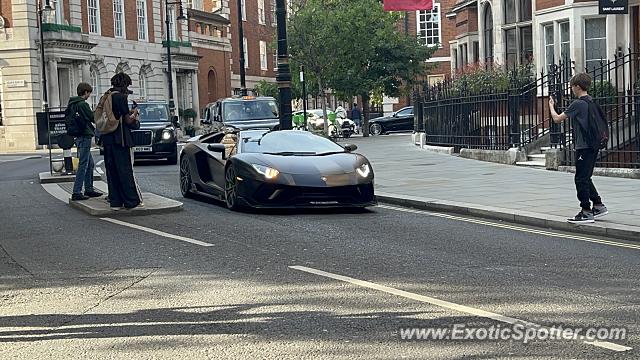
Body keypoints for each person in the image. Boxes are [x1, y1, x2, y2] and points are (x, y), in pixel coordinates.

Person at [549, 72, 608, 224]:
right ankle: (598, 205)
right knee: (585, 176)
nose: (571, 89)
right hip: (594, 145)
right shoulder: (592, 101)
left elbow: (557, 119)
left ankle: (586, 211)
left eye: (572, 87)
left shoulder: (578, 103)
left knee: (580, 179)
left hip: (584, 147)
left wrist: (551, 106)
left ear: (577, 86)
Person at [101, 73, 142, 210]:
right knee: (124, 170)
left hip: (107, 138)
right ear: (124, 84)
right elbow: (127, 120)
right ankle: (130, 201)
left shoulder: (106, 96)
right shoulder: (121, 97)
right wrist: (135, 113)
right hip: (121, 139)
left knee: (111, 171)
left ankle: (115, 201)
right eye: (127, 85)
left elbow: (115, 115)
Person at [69, 83, 103, 201]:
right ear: (86, 92)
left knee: (90, 164)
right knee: (83, 164)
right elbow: (92, 117)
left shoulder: (73, 103)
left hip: (78, 135)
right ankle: (76, 192)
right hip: (84, 135)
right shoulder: (82, 104)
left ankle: (89, 189)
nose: (90, 95)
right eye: (89, 92)